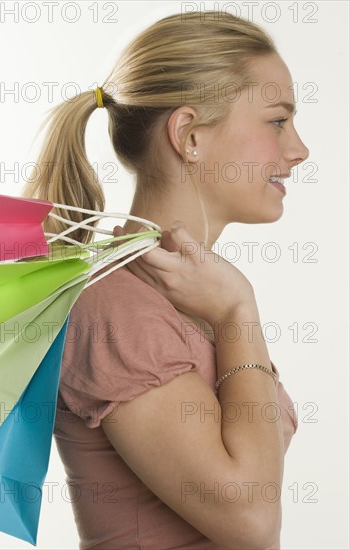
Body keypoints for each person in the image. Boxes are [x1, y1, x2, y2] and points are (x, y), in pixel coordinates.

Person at [22, 10, 309, 549]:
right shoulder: (115, 307)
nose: (298, 150)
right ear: (190, 135)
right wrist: (237, 315)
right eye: (277, 121)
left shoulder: (190, 294)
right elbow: (251, 521)